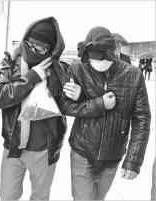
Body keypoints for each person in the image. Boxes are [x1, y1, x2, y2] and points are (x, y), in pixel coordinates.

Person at [0, 16, 82, 200]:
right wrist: (30, 79)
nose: (33, 50)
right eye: (30, 44)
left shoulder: (60, 69)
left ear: (50, 49)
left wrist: (78, 95)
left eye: (40, 47)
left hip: (44, 150)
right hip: (13, 147)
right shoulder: (10, 62)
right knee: (7, 196)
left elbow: (69, 106)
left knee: (40, 197)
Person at [59, 26, 151, 200]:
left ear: (113, 52)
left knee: (98, 198)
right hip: (82, 149)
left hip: (113, 154)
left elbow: (142, 120)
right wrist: (97, 103)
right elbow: (64, 106)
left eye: (105, 57)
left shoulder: (133, 75)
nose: (100, 63)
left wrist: (133, 160)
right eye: (95, 59)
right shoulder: (77, 69)